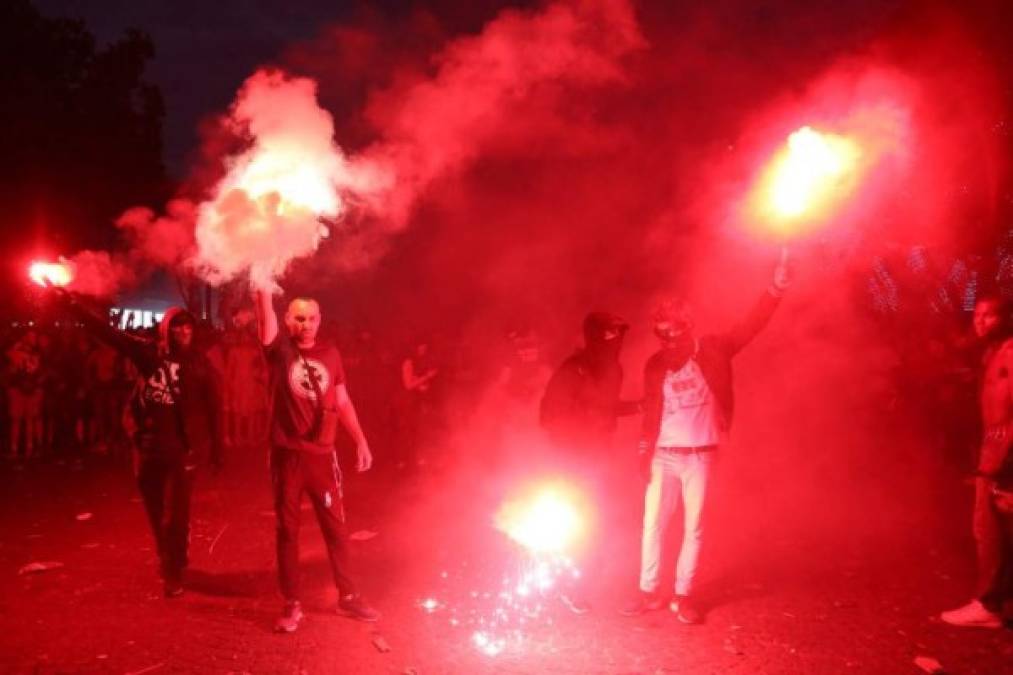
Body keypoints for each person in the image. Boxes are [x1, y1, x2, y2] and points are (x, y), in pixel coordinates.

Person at [621, 253, 790, 624]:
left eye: (672, 331)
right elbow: (651, 413)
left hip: (701, 455)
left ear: (688, 326)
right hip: (663, 455)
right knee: (652, 524)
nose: (666, 339)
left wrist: (774, 289)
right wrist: (642, 454)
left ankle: (684, 596)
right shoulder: (654, 365)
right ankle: (649, 591)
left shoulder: (713, 349)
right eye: (659, 332)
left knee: (694, 526)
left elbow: (751, 325)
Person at [55, 291, 221, 597]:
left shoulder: (200, 364)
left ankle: (172, 574)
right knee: (157, 513)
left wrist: (218, 452)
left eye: (188, 326)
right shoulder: (149, 355)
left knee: (176, 514)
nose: (183, 331)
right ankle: (171, 556)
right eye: (177, 326)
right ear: (166, 329)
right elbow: (109, 333)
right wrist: (71, 304)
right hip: (147, 450)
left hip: (181, 452)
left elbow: (215, 406)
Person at [254, 290, 379, 632]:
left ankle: (348, 597)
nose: (305, 324)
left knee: (336, 529)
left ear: (319, 320)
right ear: (287, 320)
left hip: (323, 459)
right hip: (287, 458)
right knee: (288, 531)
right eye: (298, 318)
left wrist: (360, 440)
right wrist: (262, 287)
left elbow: (341, 400)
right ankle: (292, 603)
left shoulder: (332, 354)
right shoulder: (279, 350)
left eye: (311, 318)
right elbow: (265, 322)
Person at [540, 311, 640, 613]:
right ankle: (567, 585)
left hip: (600, 456)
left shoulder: (614, 369)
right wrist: (571, 448)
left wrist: (639, 406)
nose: (615, 340)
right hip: (573, 459)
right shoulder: (573, 370)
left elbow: (606, 408)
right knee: (579, 522)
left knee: (596, 522)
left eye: (618, 335)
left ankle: (578, 580)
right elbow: (547, 416)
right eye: (609, 334)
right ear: (595, 337)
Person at [941, 294, 1013, 628]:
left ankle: (989, 606)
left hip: (1005, 461)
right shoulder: (991, 353)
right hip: (992, 458)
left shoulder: (1010, 354)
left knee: (993, 533)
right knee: (988, 531)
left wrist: (1006, 475)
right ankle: (993, 601)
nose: (981, 322)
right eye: (978, 315)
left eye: (991, 316)